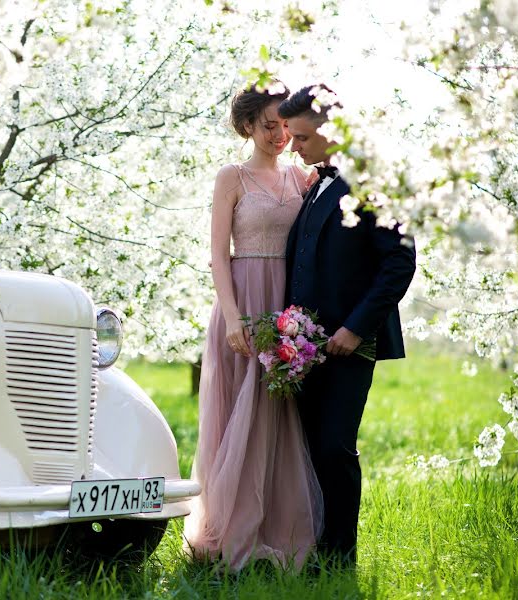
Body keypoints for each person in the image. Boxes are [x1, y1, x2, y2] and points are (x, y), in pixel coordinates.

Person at [183, 82, 323, 572]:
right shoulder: (233, 177)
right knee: (238, 416)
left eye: (285, 125)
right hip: (242, 302)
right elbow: (218, 255)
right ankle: (230, 530)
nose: (280, 135)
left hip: (283, 308)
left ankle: (275, 529)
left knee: (276, 417)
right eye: (268, 126)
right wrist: (233, 316)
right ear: (247, 126)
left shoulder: (302, 177)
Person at [278, 84, 417, 568]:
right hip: (304, 347)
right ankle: (310, 548)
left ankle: (341, 559)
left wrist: (356, 329)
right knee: (311, 449)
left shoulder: (375, 182)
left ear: (331, 133)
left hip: (347, 345)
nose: (294, 146)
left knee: (335, 447)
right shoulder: (316, 183)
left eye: (301, 137)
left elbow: (399, 263)